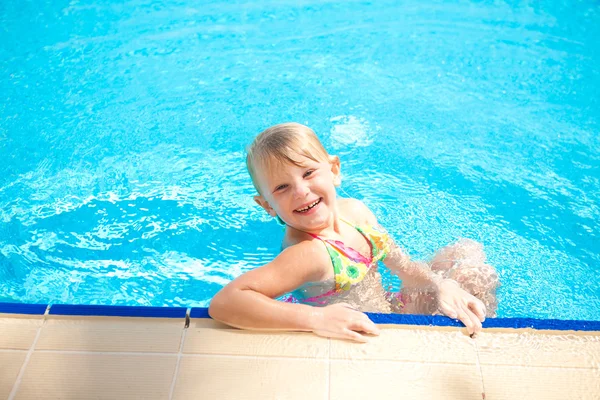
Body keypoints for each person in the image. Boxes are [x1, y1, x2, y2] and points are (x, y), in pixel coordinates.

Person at [209, 123, 499, 342]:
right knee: (476, 277)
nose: (301, 191)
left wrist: (439, 285)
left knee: (468, 253)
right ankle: (477, 343)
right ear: (267, 206)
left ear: (334, 170)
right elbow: (225, 302)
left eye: (308, 173)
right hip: (377, 331)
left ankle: (471, 325)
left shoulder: (356, 212)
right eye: (281, 187)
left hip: (391, 305)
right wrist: (316, 319)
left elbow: (405, 267)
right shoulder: (308, 254)